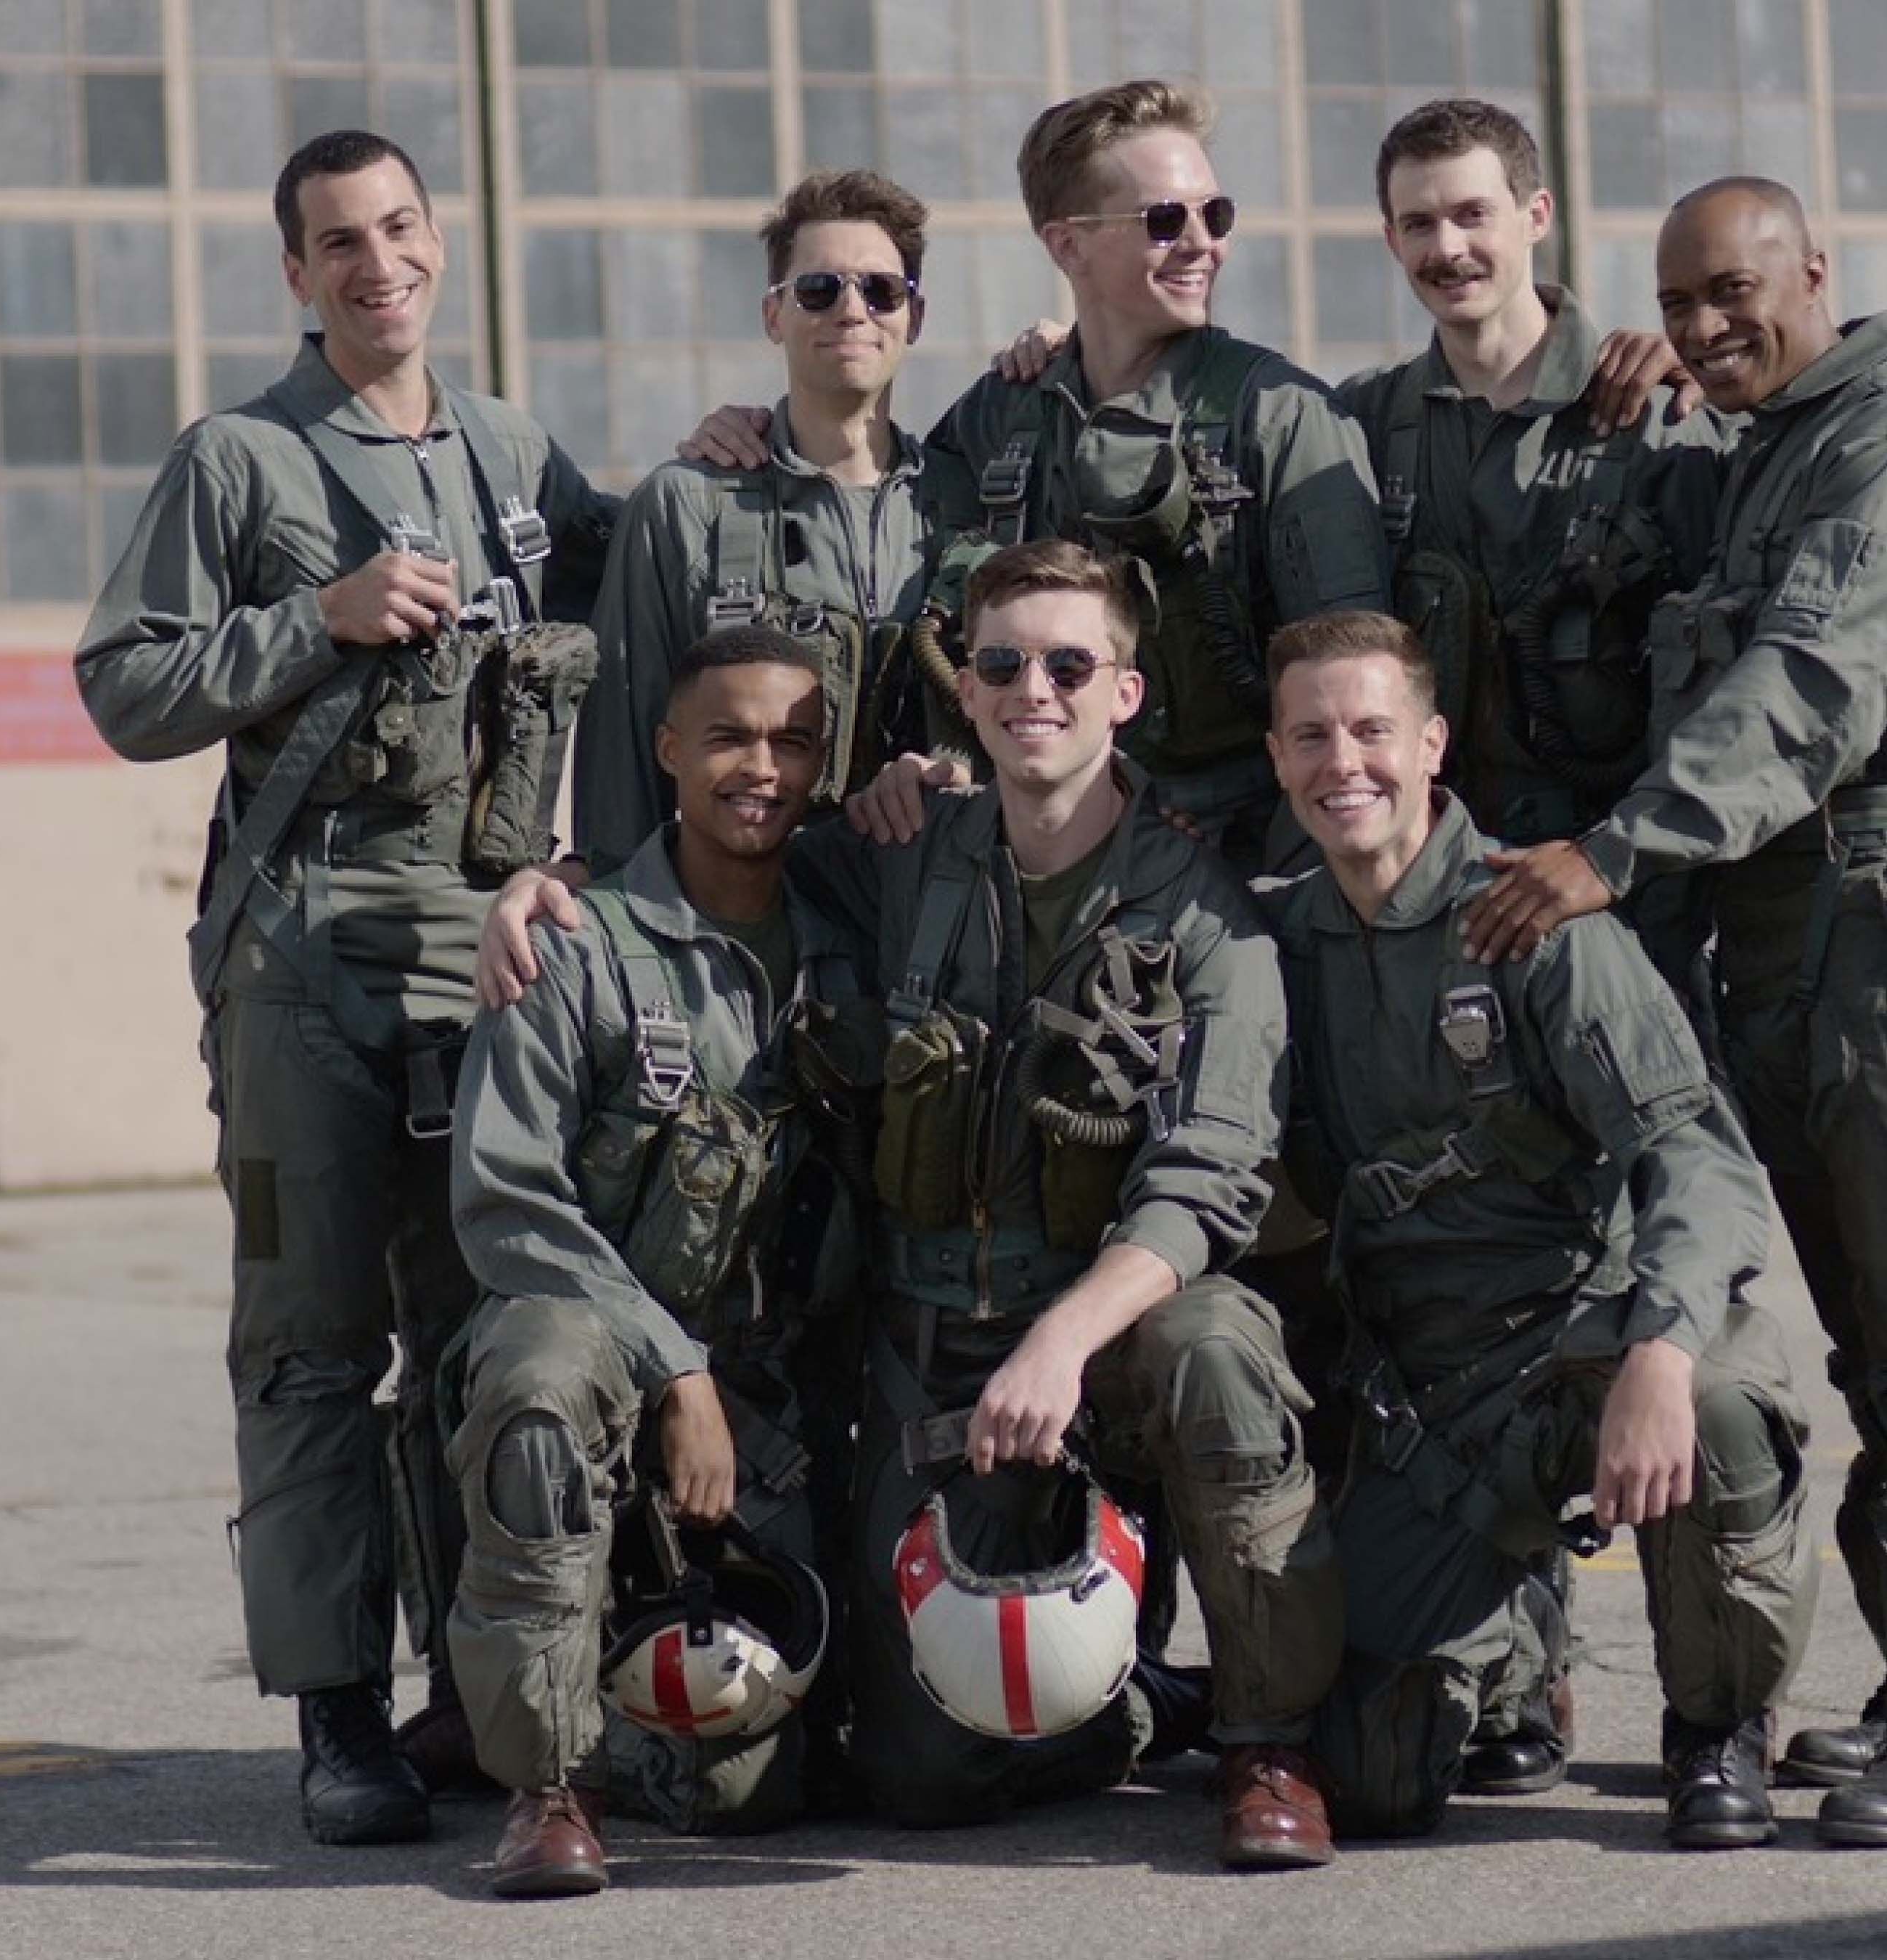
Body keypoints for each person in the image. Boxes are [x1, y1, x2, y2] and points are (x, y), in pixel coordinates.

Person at [483, 539, 1343, 1870]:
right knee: (916, 1776)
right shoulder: (891, 857)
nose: (1032, 690)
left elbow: (1210, 1177)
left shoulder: (1208, 918)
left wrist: (1064, 1343)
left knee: (1219, 1345)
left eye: (1070, 664)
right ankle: (1112, 1704)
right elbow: (723, 865)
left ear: (1126, 692)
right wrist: (560, 891)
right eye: (1002, 663)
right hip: (930, 1359)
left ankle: (1265, 1745)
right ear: (969, 690)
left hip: (1100, 1354)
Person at [1464, 176, 1887, 1848]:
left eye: (1734, 292)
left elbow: (1800, 698)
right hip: (1773, 935)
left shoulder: (1886, 447)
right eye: (1681, 302)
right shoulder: (1752, 458)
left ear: (1812, 270)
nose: (1710, 327)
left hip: (1881, 927)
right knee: (1871, 1328)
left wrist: (1608, 855)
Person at [75, 126, 618, 1846]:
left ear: (436, 242)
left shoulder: (519, 451)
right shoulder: (238, 459)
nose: (376, 263)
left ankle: (479, 1693)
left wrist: (734, 453)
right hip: (305, 946)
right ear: (296, 276)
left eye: (398, 229)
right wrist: (320, 612)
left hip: (490, 947)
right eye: (337, 242)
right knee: (314, 1345)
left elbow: (642, 609)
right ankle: (335, 1710)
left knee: (484, 1329)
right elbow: (125, 684)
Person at [1257, 611, 1814, 1846]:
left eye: (1372, 730)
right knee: (1376, 1778)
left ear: (1434, 742)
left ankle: (1718, 1727)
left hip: (1585, 1343)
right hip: (1437, 1397)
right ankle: (1518, 1658)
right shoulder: (1276, 945)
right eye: (1312, 736)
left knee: (1719, 1404)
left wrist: (1662, 1353)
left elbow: (1699, 1161)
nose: (1343, 761)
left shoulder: (1534, 921)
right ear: (1277, 757)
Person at [689, 81, 1391, 864]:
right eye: (1164, 221)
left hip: (1242, 865)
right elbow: (876, 483)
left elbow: (1358, 680)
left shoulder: (1284, 417)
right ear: (1067, 245)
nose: (1202, 243)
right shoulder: (1006, 415)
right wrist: (747, 433)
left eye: (1214, 214)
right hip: (1037, 861)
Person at [446, 625, 862, 1896]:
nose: (764, 767)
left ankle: (628, 1713)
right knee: (535, 1381)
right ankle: (545, 1785)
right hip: (609, 1363)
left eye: (795, 742)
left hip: (779, 1404)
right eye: (730, 735)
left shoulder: (862, 931)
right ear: (670, 749)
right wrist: (675, 1373)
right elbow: (508, 1199)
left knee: (751, 1794)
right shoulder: (572, 944)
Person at [1335, 98, 1707, 854]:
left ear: (1536, 215)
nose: (1448, 248)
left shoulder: (1656, 418)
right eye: (1419, 224)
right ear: (1389, 239)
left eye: (1473, 214)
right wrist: (1055, 352)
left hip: (1622, 875)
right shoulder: (1362, 424)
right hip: (1431, 868)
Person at [568, 171, 944, 873]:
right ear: (775, 315)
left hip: (931, 918)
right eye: (819, 290)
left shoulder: (970, 506)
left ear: (914, 318)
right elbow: (623, 765)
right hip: (749, 918)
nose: (852, 311)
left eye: (882, 291)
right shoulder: (686, 508)